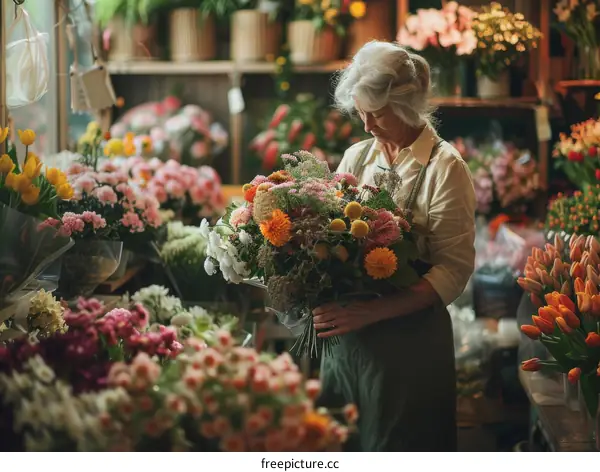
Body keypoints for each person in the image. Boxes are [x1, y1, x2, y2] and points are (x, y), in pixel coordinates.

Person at [312, 41, 476, 452]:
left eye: (377, 114)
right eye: (360, 112)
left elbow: (452, 272)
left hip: (408, 349)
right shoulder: (356, 157)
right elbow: (332, 242)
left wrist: (373, 310)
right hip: (348, 346)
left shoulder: (446, 168)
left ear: (407, 106)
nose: (367, 125)